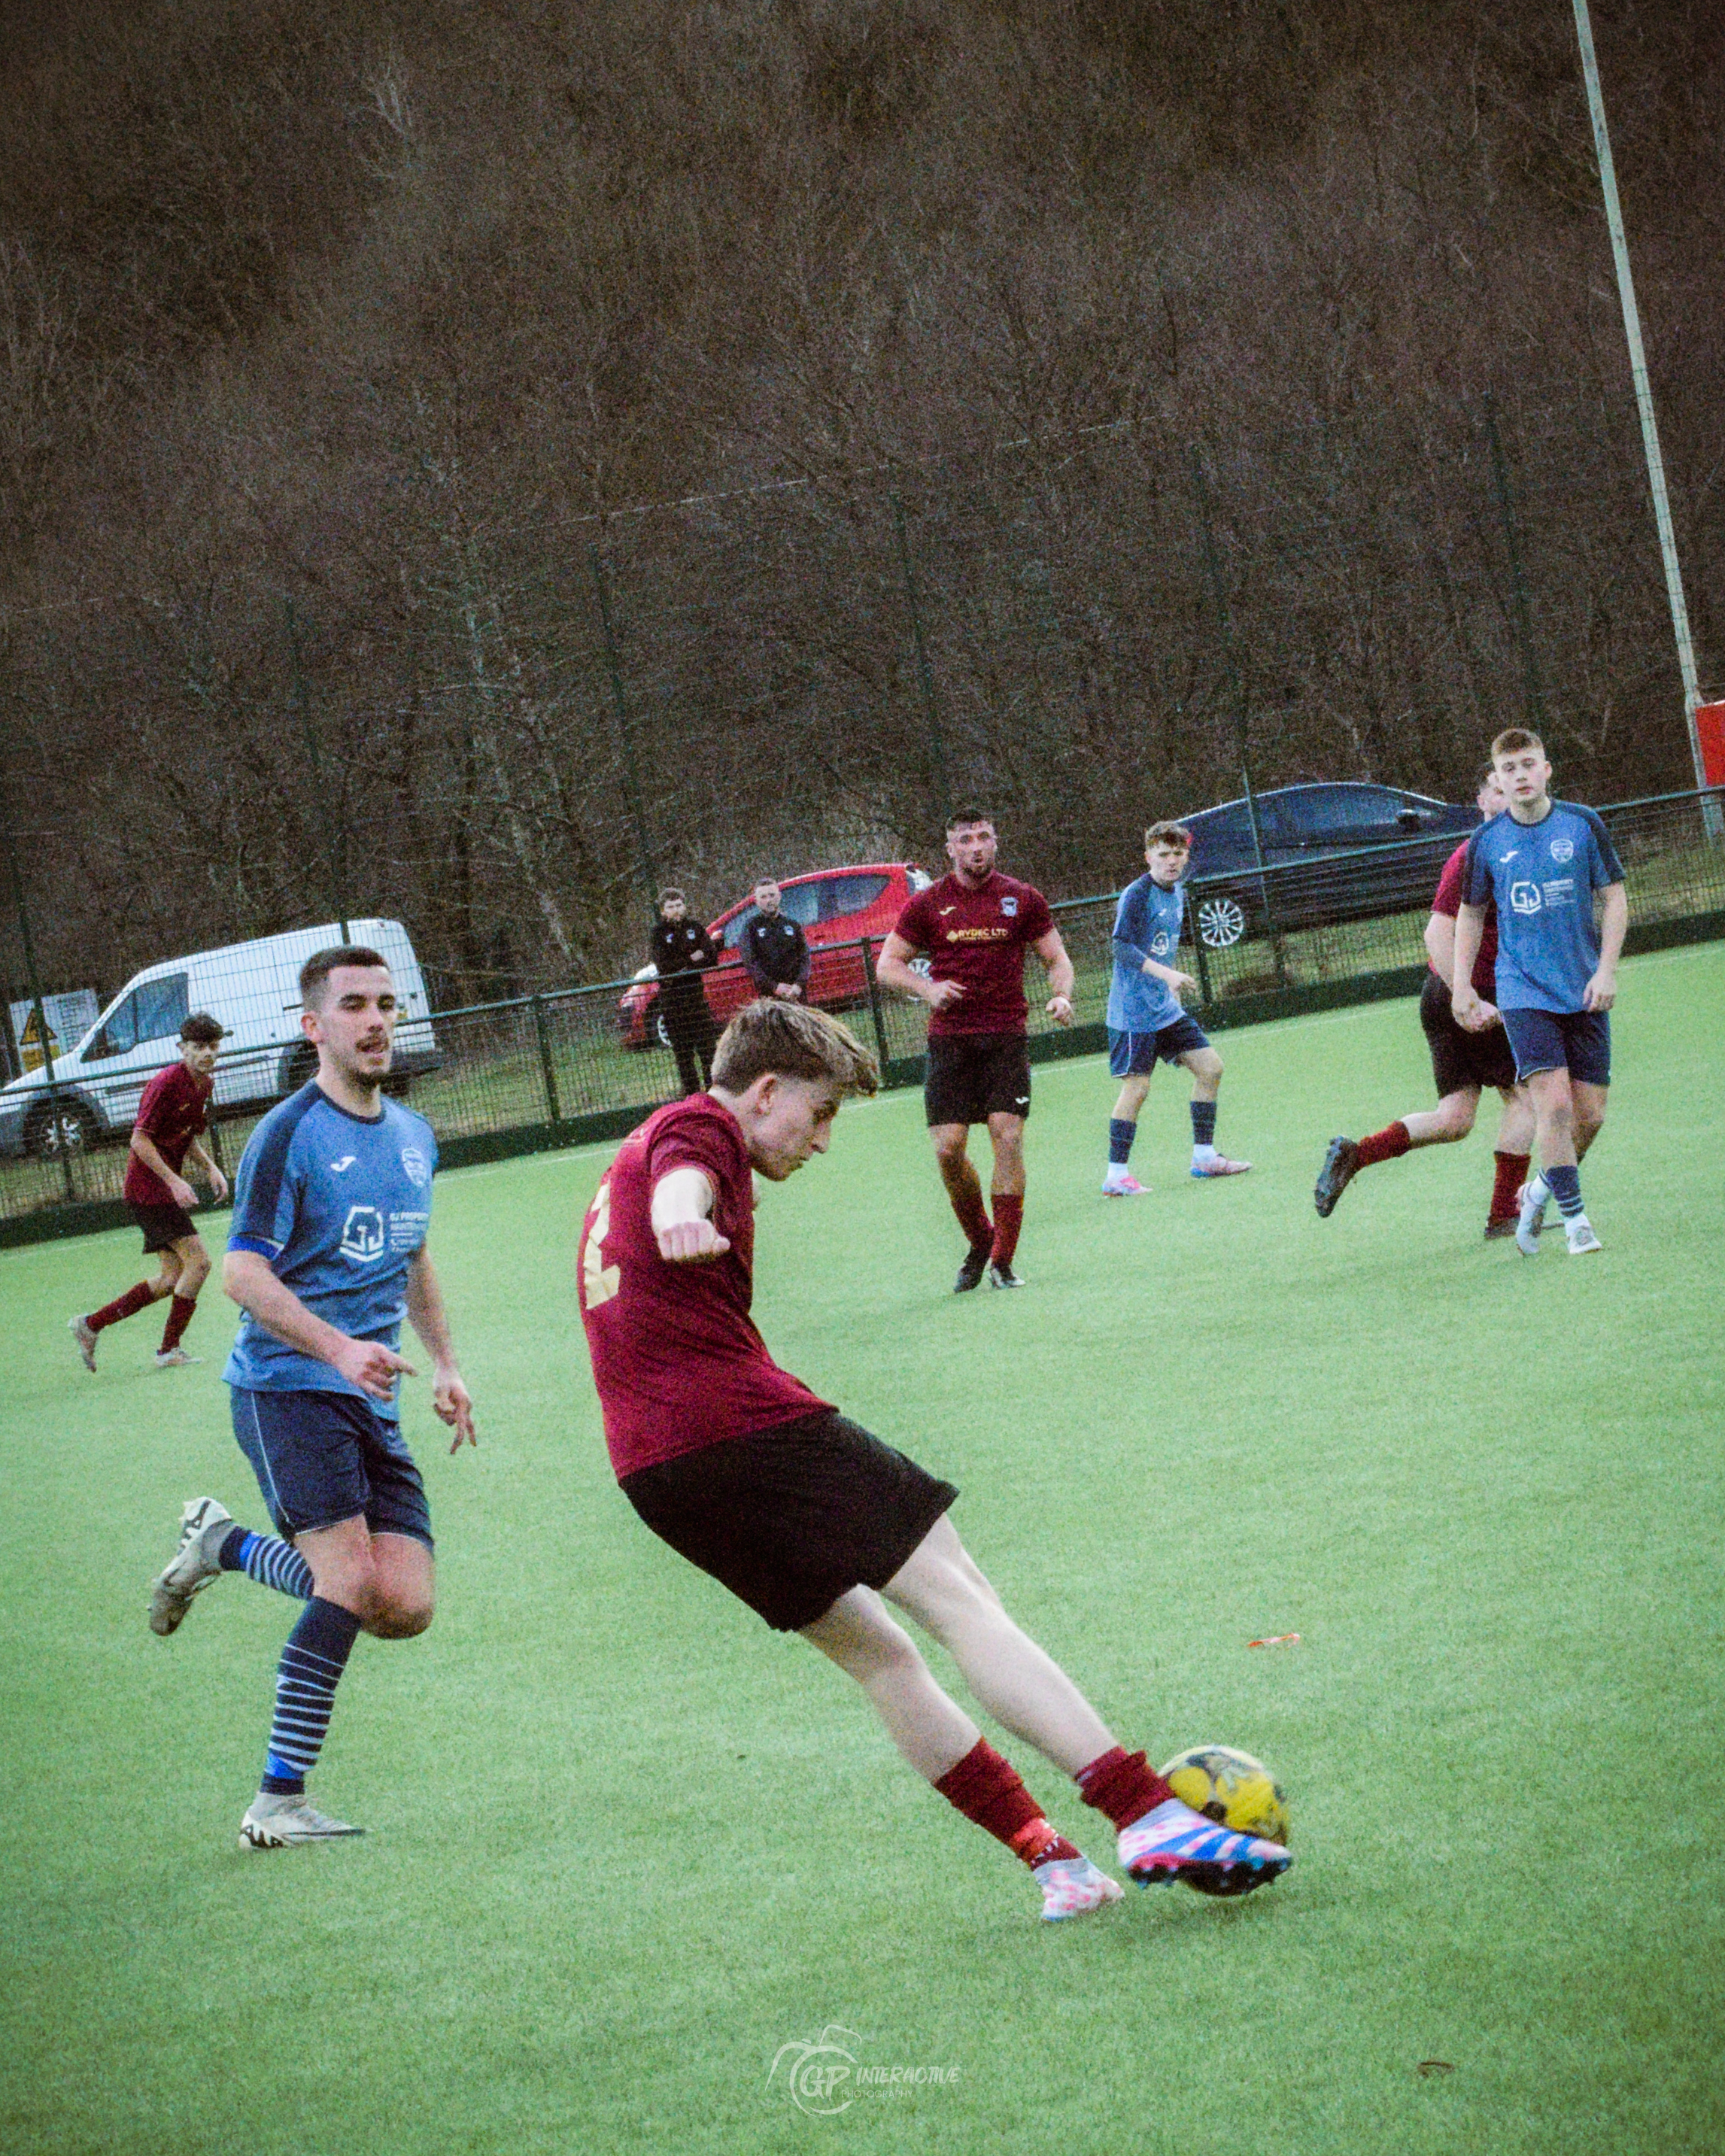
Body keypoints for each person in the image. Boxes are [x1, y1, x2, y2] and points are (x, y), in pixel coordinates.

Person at [576, 998, 1292, 1921]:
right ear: (762, 1092)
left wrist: (678, 1214)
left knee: (881, 1660)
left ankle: (1053, 1864)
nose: (822, 1140)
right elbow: (685, 1181)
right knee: (960, 1596)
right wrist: (682, 1217)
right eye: (820, 1112)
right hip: (739, 1422)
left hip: (655, 1473)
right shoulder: (699, 1125)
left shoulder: (630, 1152)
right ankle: (1143, 1810)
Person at [144, 944, 475, 1848]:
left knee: (402, 1604)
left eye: (386, 1004)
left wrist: (445, 1362)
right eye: (354, 1006)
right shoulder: (285, 1134)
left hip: (370, 1396)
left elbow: (413, 1253)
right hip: (287, 1386)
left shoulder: (413, 1136)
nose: (375, 1021)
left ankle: (221, 1544)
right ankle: (276, 1802)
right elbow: (241, 1273)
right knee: (347, 1581)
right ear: (313, 1026)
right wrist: (335, 1347)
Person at [1313, 770, 1535, 1234]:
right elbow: (1436, 932)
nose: (1511, 791)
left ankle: (1359, 1153)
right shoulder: (1474, 854)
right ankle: (1504, 1214)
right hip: (1469, 995)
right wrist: (1466, 997)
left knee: (1454, 1118)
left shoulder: (1522, 851)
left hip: (1446, 995)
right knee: (1524, 1099)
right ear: (1481, 800)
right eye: (1497, 786)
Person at [875, 812, 1075, 1290]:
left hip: (1005, 1037)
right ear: (951, 850)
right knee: (948, 1150)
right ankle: (980, 1238)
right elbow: (888, 966)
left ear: (995, 843)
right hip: (951, 1042)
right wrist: (928, 989)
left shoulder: (1023, 898)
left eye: (984, 837)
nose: (976, 847)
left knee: (1007, 1137)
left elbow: (1057, 959)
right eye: (966, 840)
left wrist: (1062, 994)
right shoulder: (928, 904)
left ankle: (1003, 1261)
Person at [1453, 729, 1627, 1256]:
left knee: (1589, 1115)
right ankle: (1576, 1224)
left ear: (1546, 769)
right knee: (1550, 1105)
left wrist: (1605, 971)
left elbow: (1614, 899)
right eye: (1509, 769)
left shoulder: (1581, 825)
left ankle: (1540, 1190)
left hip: (1580, 988)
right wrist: (1461, 985)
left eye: (1528, 765)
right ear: (1497, 781)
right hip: (1521, 991)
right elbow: (1471, 913)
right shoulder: (1486, 843)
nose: (1520, 776)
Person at [69, 1012, 231, 1371]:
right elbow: (139, 1140)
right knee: (200, 1263)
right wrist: (174, 1180)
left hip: (160, 1191)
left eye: (213, 1046)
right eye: (199, 1046)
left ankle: (90, 1325)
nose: (208, 1053)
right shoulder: (165, 1083)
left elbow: (186, 1134)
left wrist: (210, 1167)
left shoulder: (204, 1083)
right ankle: (168, 1351)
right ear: (182, 1048)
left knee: (172, 1278)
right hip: (147, 1190)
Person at [1101, 822, 1250, 1194]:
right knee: (1137, 1088)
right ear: (1148, 856)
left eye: (1178, 854)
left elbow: (1163, 944)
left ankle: (1204, 1157)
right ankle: (1116, 1176)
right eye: (1163, 854)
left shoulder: (1178, 891)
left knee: (1210, 1068)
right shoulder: (1136, 895)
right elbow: (1122, 948)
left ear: (1187, 855)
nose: (1171, 861)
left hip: (1165, 1010)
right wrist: (1167, 975)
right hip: (1133, 1013)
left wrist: (1172, 991)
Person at [651, 888, 722, 1097]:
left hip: (696, 999)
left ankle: (714, 1095)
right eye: (671, 907)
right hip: (673, 1002)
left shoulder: (695, 928)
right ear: (663, 911)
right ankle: (692, 1096)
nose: (676, 910)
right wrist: (692, 959)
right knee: (683, 1055)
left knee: (708, 1051)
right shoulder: (658, 934)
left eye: (679, 905)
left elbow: (711, 956)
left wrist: (686, 963)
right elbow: (665, 965)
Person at [740, 878, 812, 1004]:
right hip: (770, 998)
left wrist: (799, 984)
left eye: (772, 895)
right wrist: (773, 987)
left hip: (796, 995)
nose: (769, 900)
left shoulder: (792, 924)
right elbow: (750, 962)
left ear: (779, 896)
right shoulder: (751, 927)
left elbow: (804, 957)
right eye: (763, 897)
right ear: (756, 901)